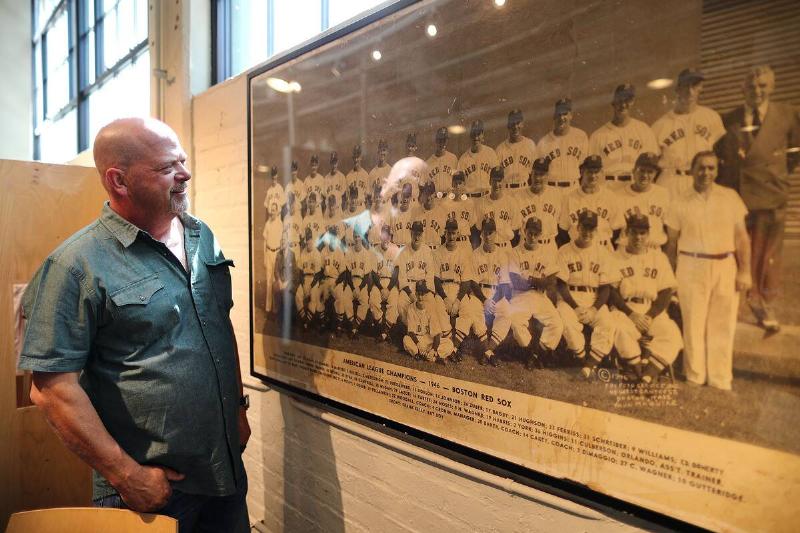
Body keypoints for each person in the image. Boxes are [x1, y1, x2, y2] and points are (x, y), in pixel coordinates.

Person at [18, 118, 250, 531]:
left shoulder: (201, 237)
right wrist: (126, 475)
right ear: (118, 181)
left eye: (182, 159)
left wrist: (237, 408)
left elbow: (219, 323)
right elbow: (53, 391)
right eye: (166, 168)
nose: (185, 173)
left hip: (223, 471)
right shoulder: (76, 265)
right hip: (147, 491)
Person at [716, 65, 800, 332]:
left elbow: (794, 152)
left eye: (763, 86)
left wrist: (777, 173)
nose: (757, 91)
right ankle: (736, 301)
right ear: (743, 89)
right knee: (738, 250)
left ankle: (764, 303)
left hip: (771, 193)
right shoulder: (729, 118)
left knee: (768, 253)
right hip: (739, 195)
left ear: (771, 87)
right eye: (752, 86)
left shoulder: (788, 115)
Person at [666, 151, 751, 390]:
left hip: (725, 264)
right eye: (701, 167)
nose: (706, 173)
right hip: (691, 265)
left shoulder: (730, 197)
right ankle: (695, 375)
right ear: (692, 170)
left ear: (717, 170)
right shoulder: (679, 201)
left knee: (722, 323)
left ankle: (720, 379)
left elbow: (742, 237)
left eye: (711, 168)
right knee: (693, 322)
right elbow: (671, 244)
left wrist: (745, 272)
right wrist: (670, 276)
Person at [610, 214, 683, 383]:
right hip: (625, 309)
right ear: (626, 232)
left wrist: (650, 315)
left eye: (643, 233)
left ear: (648, 234)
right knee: (620, 329)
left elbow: (666, 291)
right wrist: (631, 314)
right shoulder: (615, 257)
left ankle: (646, 376)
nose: (638, 237)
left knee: (672, 334)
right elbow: (612, 292)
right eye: (634, 232)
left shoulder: (659, 258)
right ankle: (637, 368)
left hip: (652, 311)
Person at [555, 210, 618, 379]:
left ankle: (588, 366)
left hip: (593, 298)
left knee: (608, 323)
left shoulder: (603, 253)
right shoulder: (564, 250)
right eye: (584, 227)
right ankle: (584, 361)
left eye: (591, 228)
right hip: (569, 298)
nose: (587, 232)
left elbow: (606, 288)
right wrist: (575, 307)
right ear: (577, 227)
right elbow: (561, 284)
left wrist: (594, 309)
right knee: (567, 322)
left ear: (596, 231)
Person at [651, 68, 725, 199]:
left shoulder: (711, 117)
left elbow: (722, 157)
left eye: (695, 85)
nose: (690, 91)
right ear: (677, 89)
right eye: (686, 86)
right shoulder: (659, 126)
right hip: (671, 183)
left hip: (703, 179)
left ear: (701, 88)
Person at [589, 84, 658, 189]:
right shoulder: (598, 136)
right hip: (608, 187)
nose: (623, 104)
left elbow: (652, 164)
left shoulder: (644, 130)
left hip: (635, 185)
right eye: (620, 100)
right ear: (613, 102)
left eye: (628, 100)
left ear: (633, 102)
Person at [615, 152, 671, 250]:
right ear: (633, 171)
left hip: (654, 249)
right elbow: (613, 231)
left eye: (650, 172)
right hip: (627, 249)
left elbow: (670, 228)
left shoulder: (663, 194)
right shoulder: (618, 195)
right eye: (641, 170)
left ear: (655, 174)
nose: (645, 175)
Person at [536, 98, 589, 195]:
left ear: (571, 115)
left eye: (565, 113)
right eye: (559, 114)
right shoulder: (543, 142)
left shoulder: (581, 136)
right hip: (552, 189)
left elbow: (584, 167)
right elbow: (538, 173)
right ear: (554, 116)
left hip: (574, 188)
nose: (561, 118)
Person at [495, 109, 538, 190]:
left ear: (522, 124)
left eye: (518, 123)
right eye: (512, 123)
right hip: (506, 191)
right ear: (508, 126)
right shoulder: (500, 149)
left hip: (524, 189)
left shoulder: (530, 145)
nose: (515, 127)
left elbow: (535, 173)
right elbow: (496, 177)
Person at [457, 119, 499, 198]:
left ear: (482, 134)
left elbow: (497, 178)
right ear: (470, 135)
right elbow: (459, 185)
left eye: (478, 134)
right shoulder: (463, 159)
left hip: (486, 198)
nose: (476, 137)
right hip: (470, 199)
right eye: (473, 134)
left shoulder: (490, 153)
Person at [426, 127, 458, 197]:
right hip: (435, 199)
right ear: (436, 140)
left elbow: (457, 182)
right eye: (440, 140)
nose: (442, 143)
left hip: (449, 199)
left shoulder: (453, 158)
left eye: (444, 140)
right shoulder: (428, 163)